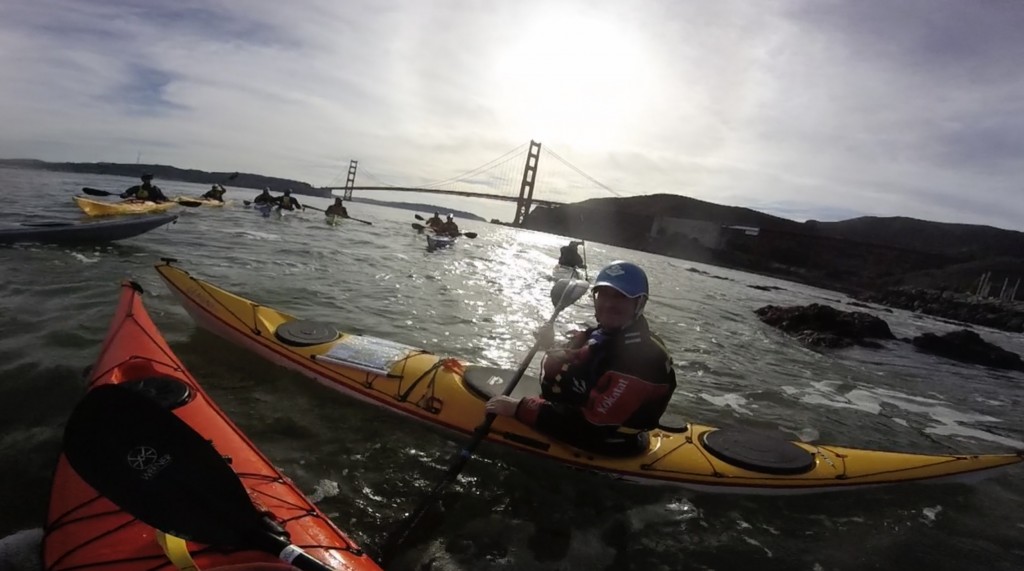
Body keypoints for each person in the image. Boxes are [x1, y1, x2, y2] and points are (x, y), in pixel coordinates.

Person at [485, 261, 677, 456]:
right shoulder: (602, 334)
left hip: (605, 442)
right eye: (604, 295)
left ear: (640, 303)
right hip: (571, 416)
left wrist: (520, 408)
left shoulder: (642, 361)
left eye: (620, 296)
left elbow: (592, 427)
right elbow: (576, 358)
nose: (609, 304)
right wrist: (549, 344)